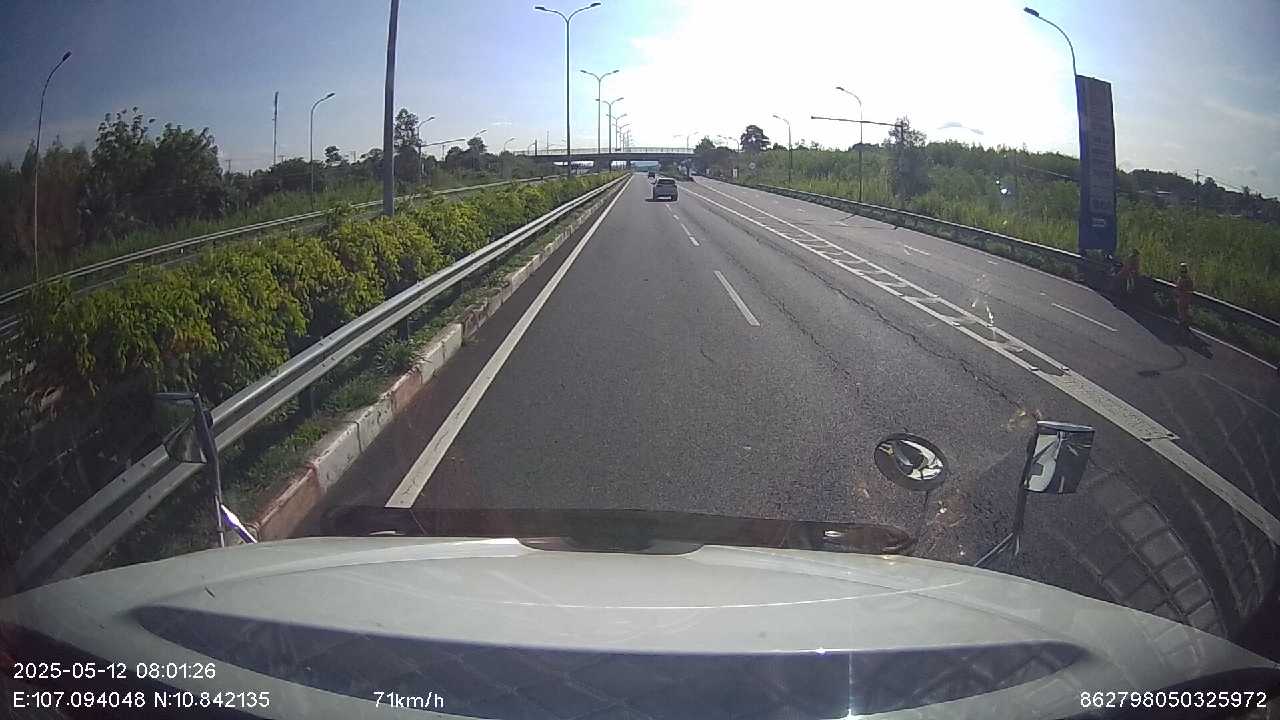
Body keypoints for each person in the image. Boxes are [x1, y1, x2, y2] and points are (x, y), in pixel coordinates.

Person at [1175, 262, 1194, 330]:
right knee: (1183, 311)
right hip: (1184, 297)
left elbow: (1180, 288)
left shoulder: (1184, 279)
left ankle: (1184, 323)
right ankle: (1184, 323)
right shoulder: (1187, 279)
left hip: (1184, 298)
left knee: (1183, 311)